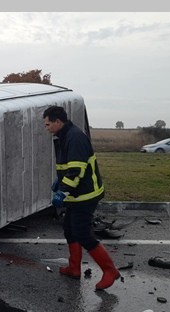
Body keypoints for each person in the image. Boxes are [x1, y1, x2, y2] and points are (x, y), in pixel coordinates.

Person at [43, 105, 120, 290]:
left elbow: (76, 171)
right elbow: (69, 166)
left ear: (58, 122)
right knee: (70, 229)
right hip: (77, 195)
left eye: (47, 124)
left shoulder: (74, 137)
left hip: (86, 195)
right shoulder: (64, 135)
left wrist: (63, 192)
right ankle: (74, 268)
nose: (46, 128)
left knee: (82, 233)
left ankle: (110, 271)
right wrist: (58, 181)